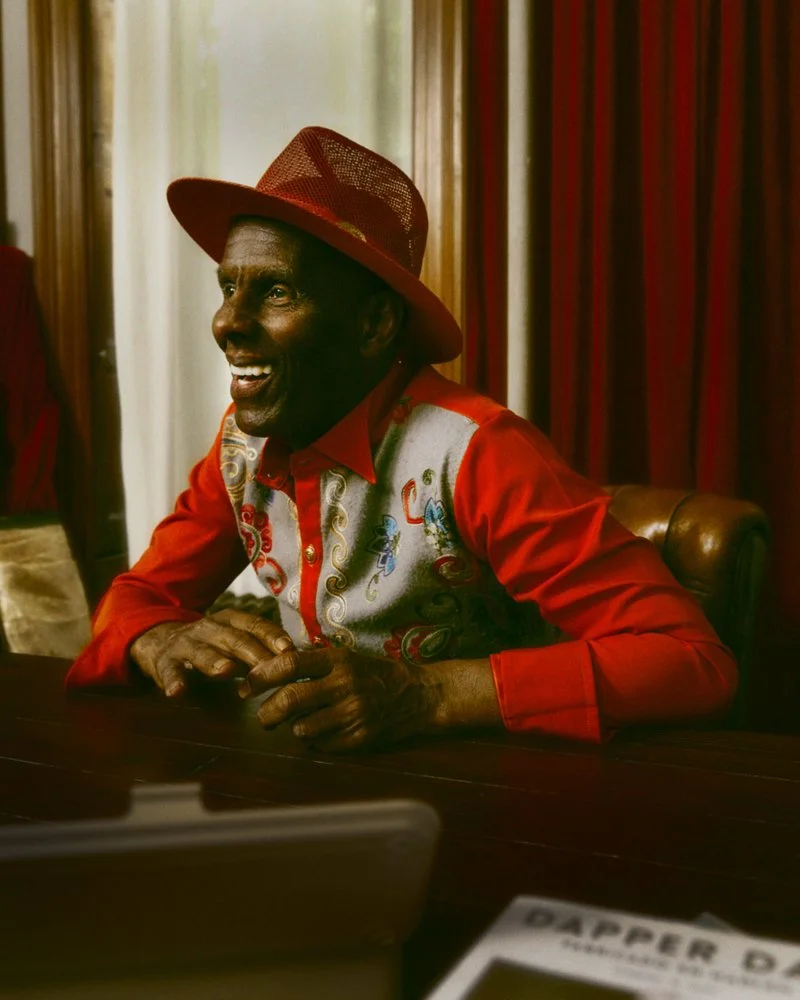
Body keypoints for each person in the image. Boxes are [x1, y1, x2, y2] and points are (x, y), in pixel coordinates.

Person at [66, 126, 736, 751]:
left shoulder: (478, 453)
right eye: (227, 288)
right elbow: (137, 599)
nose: (226, 323)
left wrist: (429, 693)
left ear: (374, 324)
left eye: (274, 291)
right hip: (317, 802)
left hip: (501, 807)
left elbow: (689, 661)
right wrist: (157, 638)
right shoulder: (240, 446)